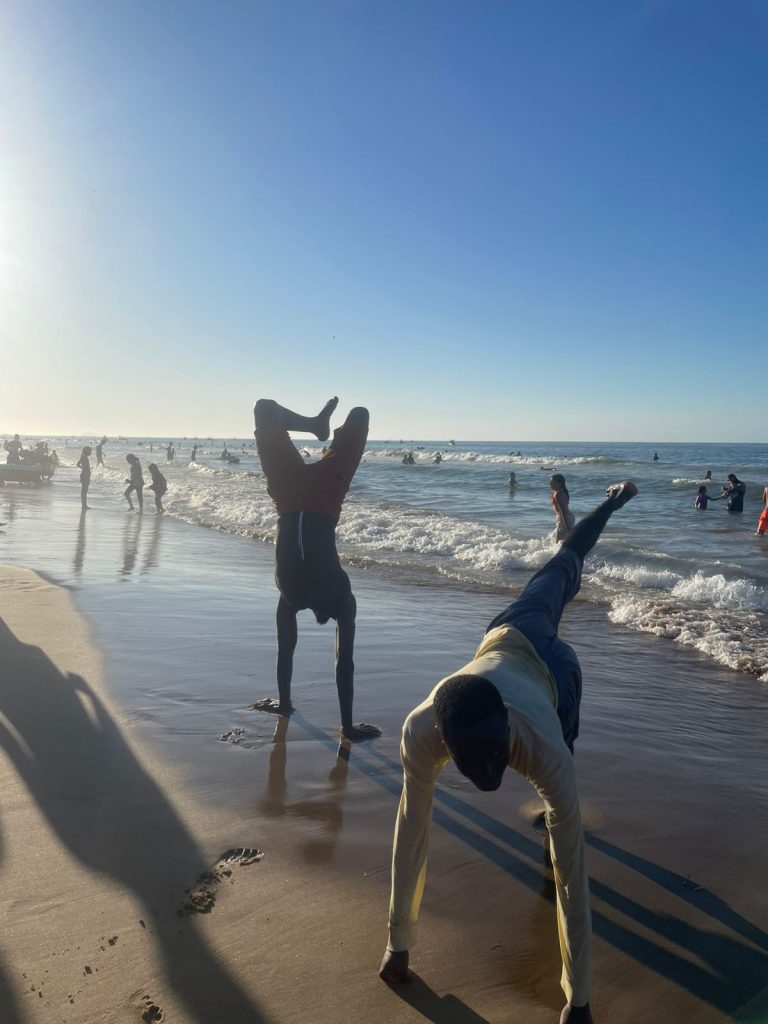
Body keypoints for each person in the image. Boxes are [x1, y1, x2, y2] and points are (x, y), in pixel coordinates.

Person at [379, 481, 639, 1024]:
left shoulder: (539, 749)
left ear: (506, 725)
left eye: (498, 754)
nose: (495, 773)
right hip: (497, 642)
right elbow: (412, 828)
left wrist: (580, 999)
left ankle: (611, 500)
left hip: (549, 667)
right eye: (478, 761)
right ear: (445, 744)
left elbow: (573, 874)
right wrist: (397, 943)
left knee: (566, 564)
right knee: (564, 569)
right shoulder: (419, 733)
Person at [251, 396, 380, 743]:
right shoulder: (317, 595)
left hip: (308, 493)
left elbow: (317, 658)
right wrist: (347, 727)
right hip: (298, 495)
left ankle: (314, 426)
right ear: (326, 615)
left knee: (358, 415)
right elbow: (342, 664)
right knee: (264, 409)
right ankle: (315, 426)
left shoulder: (309, 596)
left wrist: (285, 705)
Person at [550, 473, 575, 542]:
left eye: (553, 482)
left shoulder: (559, 494)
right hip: (565, 518)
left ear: (560, 483)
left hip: (565, 518)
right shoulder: (557, 492)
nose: (550, 483)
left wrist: (566, 525)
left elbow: (563, 510)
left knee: (558, 541)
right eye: (550, 482)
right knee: (561, 540)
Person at [76, 446, 92, 511]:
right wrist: (84, 469)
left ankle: (84, 505)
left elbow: (77, 464)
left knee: (84, 491)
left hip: (84, 474)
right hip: (85, 475)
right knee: (84, 491)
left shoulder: (83, 457)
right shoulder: (85, 458)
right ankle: (84, 505)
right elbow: (79, 465)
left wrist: (82, 468)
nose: (91, 452)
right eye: (90, 451)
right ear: (87, 452)